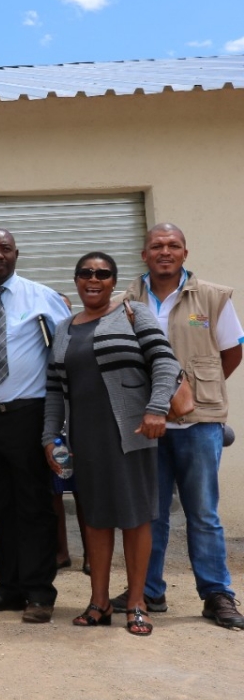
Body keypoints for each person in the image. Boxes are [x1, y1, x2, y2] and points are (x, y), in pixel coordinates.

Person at [43, 253, 178, 636]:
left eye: (103, 274)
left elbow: (165, 362)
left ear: (113, 281)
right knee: (96, 520)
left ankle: (136, 603)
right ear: (76, 279)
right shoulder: (64, 327)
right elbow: (54, 390)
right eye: (86, 273)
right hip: (84, 438)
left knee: (135, 518)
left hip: (131, 433)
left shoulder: (133, 314)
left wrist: (155, 409)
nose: (93, 279)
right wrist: (50, 438)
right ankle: (99, 602)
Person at [118, 223, 244, 630]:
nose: (165, 252)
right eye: (157, 246)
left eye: (173, 245)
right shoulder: (125, 300)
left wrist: (193, 394)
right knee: (150, 514)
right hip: (146, 424)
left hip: (199, 424)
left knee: (203, 512)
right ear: (144, 255)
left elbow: (232, 352)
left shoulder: (211, 296)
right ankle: (149, 590)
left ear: (185, 253)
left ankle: (216, 594)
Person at [0, 228, 70, 623]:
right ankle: (8, 587)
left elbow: (65, 355)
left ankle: (39, 591)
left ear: (17, 254)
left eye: (4, 248)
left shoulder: (44, 298)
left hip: (29, 415)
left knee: (34, 506)